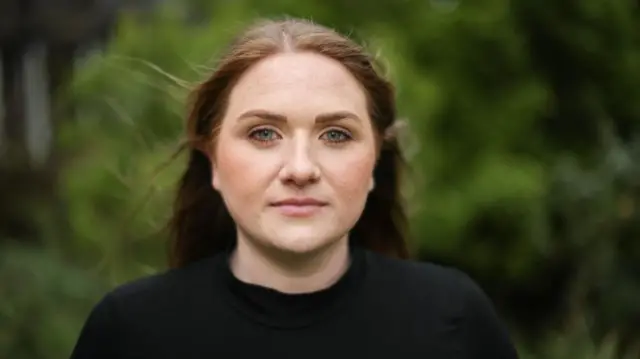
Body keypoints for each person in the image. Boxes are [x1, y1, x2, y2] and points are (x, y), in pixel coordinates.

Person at [69, 18, 519, 359]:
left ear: (375, 161)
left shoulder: (453, 320)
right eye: (264, 134)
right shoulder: (130, 333)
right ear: (213, 162)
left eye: (336, 135)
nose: (300, 169)